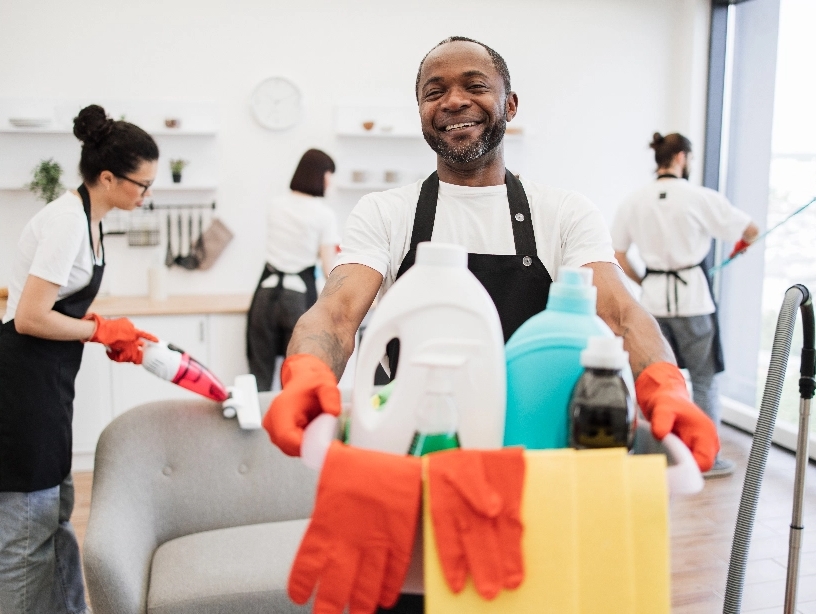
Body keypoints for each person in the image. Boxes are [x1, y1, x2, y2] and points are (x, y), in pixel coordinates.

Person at [263, 38, 720, 614]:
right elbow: (335, 313)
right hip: (414, 466)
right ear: (421, 112)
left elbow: (622, 313)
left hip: (534, 468)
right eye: (435, 91)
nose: (454, 101)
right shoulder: (387, 212)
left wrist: (665, 386)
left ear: (510, 104)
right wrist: (306, 373)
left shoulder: (562, 213)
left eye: (474, 85)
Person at [0, 104, 159, 614]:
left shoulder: (91, 220)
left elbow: (61, 302)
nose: (146, 195)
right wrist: (99, 330)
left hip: (50, 381)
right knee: (27, 530)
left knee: (56, 513)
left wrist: (111, 331)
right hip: (24, 384)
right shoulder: (68, 221)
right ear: (108, 178)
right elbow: (30, 316)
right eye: (142, 184)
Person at [611, 132, 759, 478]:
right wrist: (740, 247)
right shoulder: (699, 197)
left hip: (653, 303)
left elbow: (618, 254)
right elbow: (751, 230)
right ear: (681, 157)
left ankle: (655, 455)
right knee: (704, 380)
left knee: (653, 379)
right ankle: (707, 458)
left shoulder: (634, 200)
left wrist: (646, 280)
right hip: (694, 301)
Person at [246, 149, 339, 391]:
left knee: (259, 375)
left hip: (265, 294)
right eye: (329, 174)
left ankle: (256, 415)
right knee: (296, 376)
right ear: (320, 175)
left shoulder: (275, 205)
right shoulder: (324, 214)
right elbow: (329, 268)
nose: (331, 182)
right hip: (297, 298)